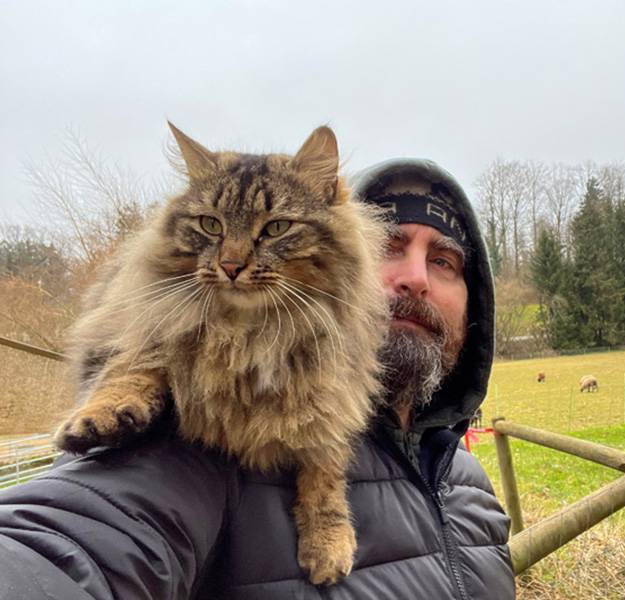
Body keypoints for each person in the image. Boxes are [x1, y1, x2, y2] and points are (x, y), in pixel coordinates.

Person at [0, 158, 515, 599]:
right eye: (390, 246)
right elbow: (75, 539)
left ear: (474, 303)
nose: (416, 278)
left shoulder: (468, 484)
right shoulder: (218, 424)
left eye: (443, 261)